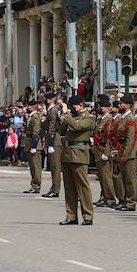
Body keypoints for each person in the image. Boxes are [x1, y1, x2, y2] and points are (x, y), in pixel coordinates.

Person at [59, 95, 97, 225]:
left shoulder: (89, 118)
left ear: (80, 105)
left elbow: (76, 127)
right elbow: (61, 131)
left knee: (82, 186)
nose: (71, 108)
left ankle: (87, 216)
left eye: (73, 106)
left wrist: (66, 114)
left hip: (79, 153)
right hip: (67, 152)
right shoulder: (71, 117)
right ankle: (71, 216)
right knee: (69, 187)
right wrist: (64, 117)